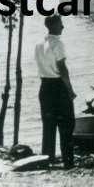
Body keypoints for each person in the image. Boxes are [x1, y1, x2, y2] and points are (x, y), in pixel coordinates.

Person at [35, 15, 76, 168]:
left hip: (45, 87)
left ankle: (47, 159)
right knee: (67, 124)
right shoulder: (58, 43)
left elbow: (41, 67)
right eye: (60, 24)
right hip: (58, 87)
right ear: (52, 26)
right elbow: (63, 69)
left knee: (48, 125)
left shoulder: (39, 43)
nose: (62, 27)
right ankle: (68, 161)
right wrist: (70, 90)